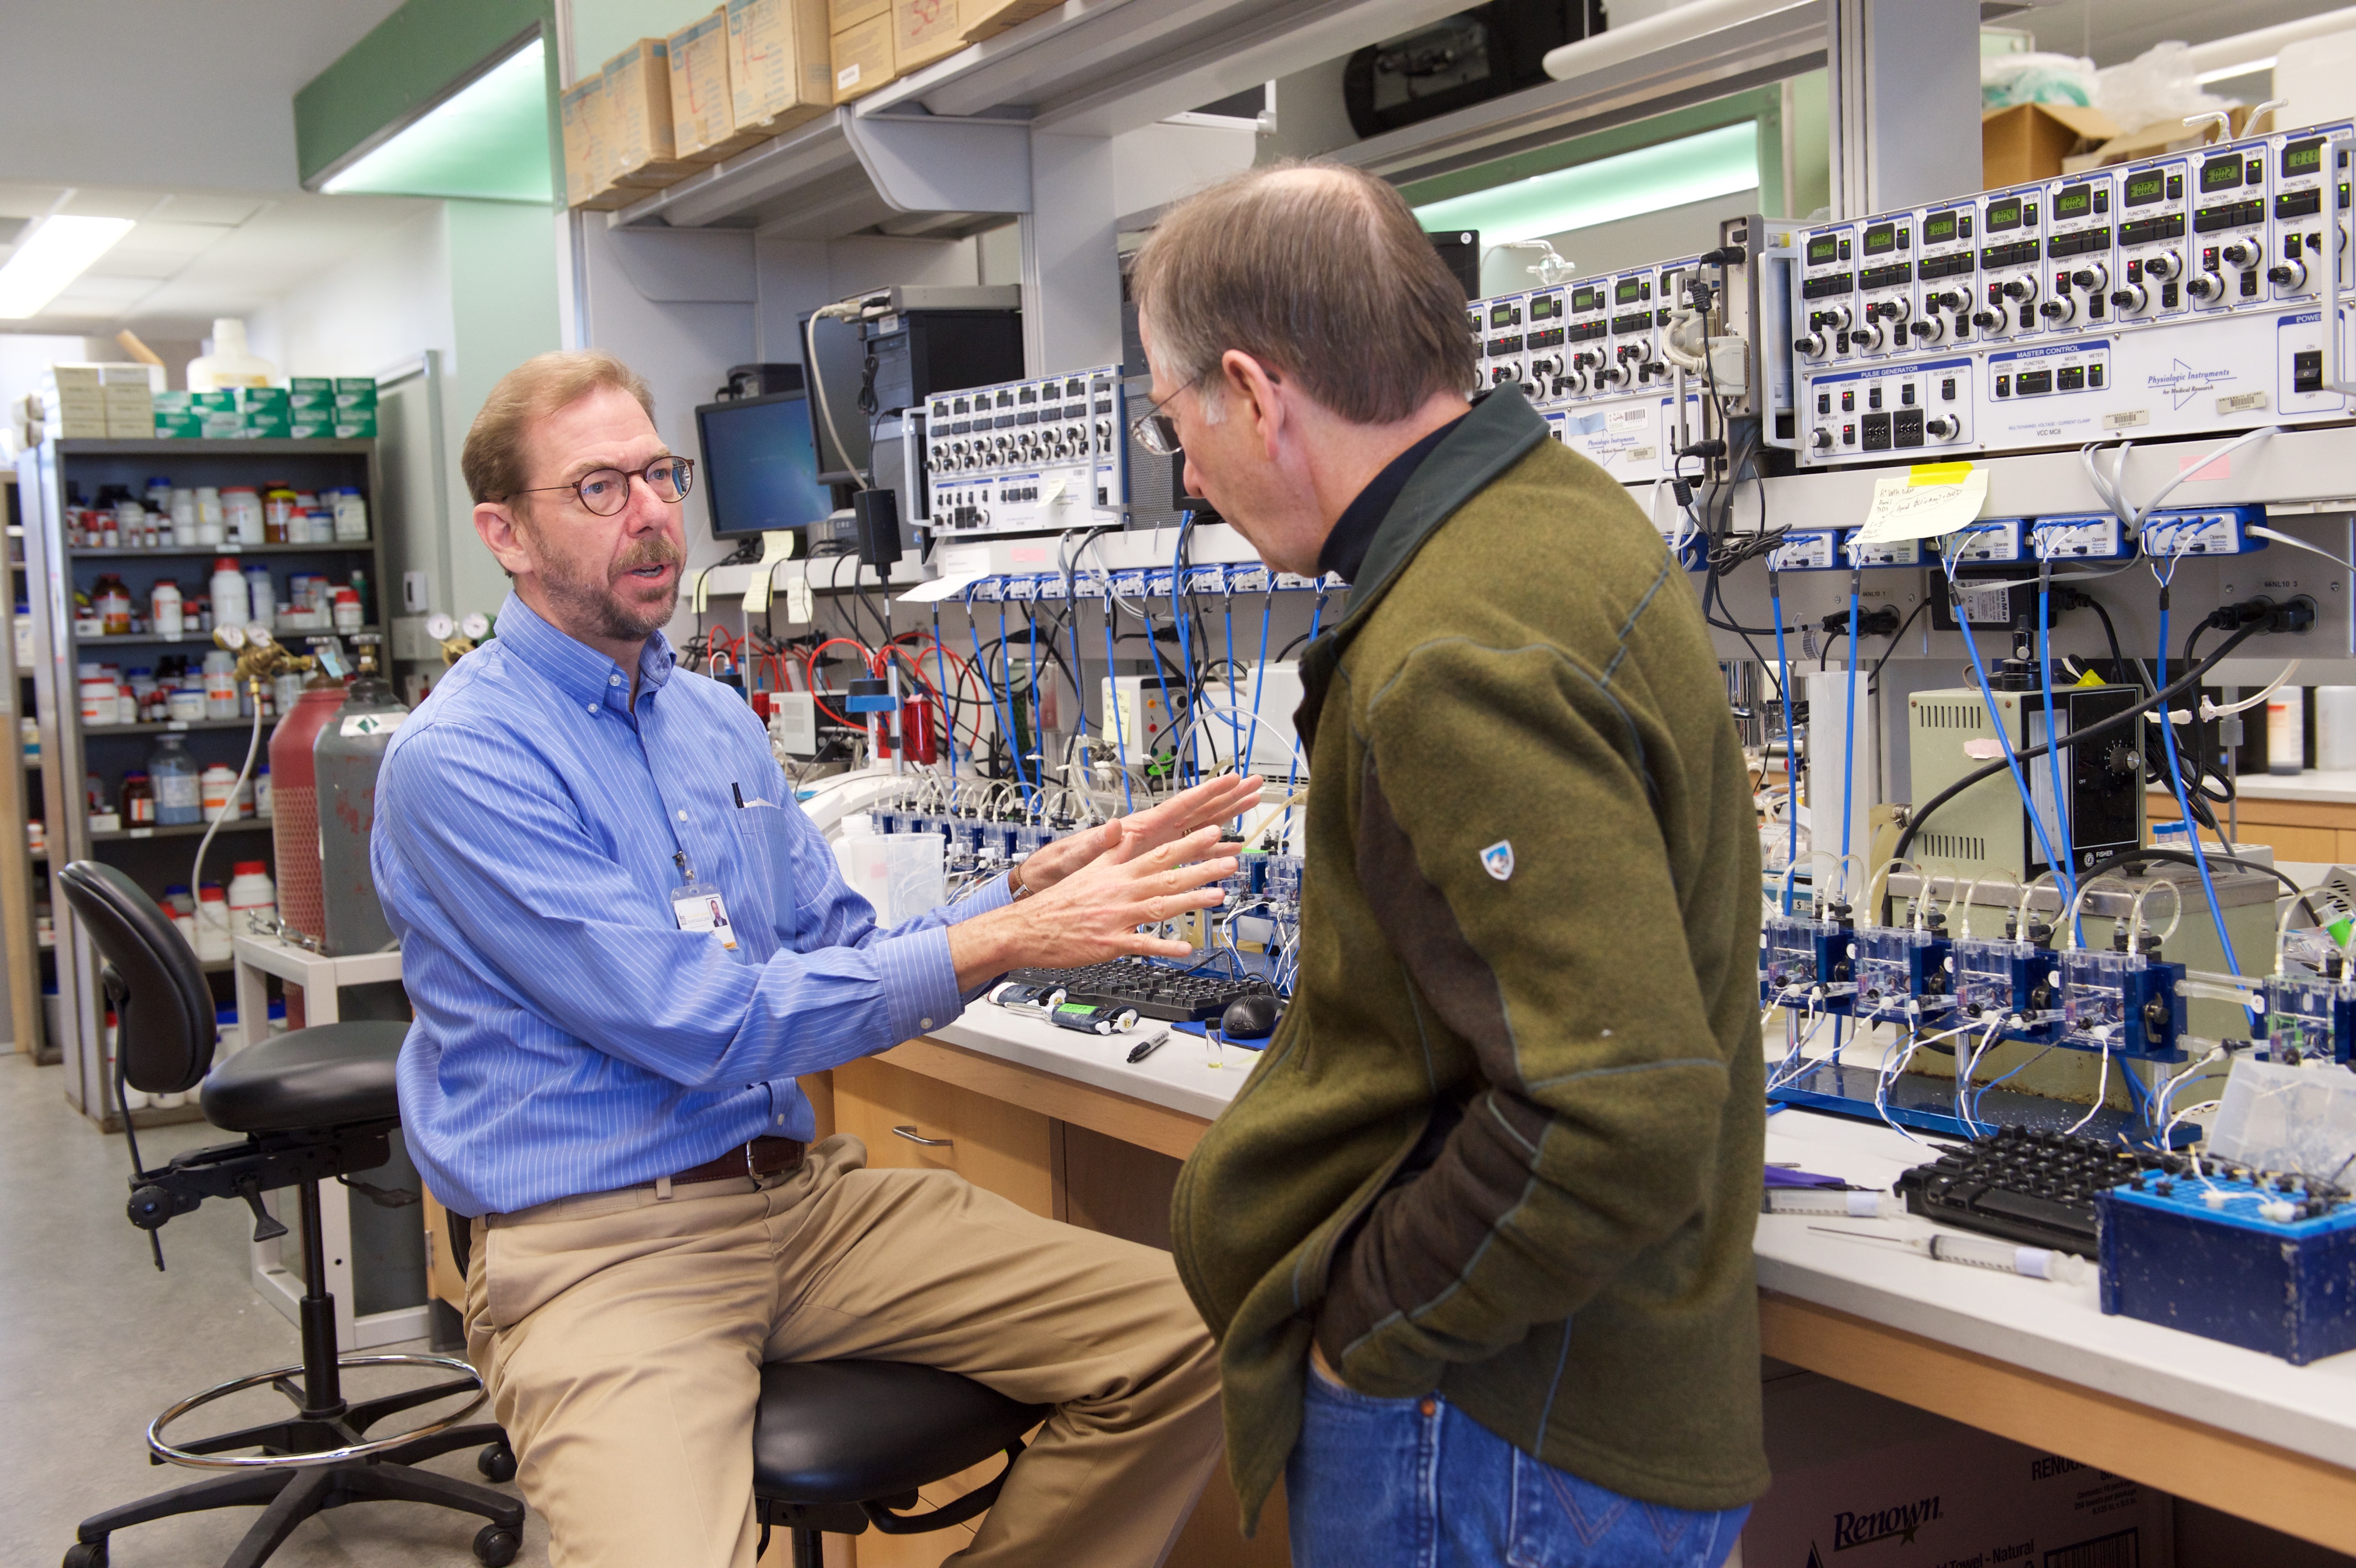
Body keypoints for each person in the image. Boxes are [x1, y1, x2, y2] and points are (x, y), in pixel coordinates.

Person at [372, 348, 1261, 1568]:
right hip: (598, 1245)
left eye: (658, 475)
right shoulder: (462, 760)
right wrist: (996, 938)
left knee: (1189, 1332)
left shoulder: (712, 721)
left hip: (799, 1202)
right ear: (504, 532)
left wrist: (1020, 889)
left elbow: (842, 948)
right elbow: (698, 1020)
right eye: (597, 488)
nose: (648, 515)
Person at [1133, 164, 1768, 1566]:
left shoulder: (1453, 649)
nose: (1186, 472)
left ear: (1257, 390)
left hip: (1499, 1432)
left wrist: (1371, 1334)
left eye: (1178, 422)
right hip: (1564, 1415)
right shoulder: (1555, 519)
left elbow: (1621, 1109)